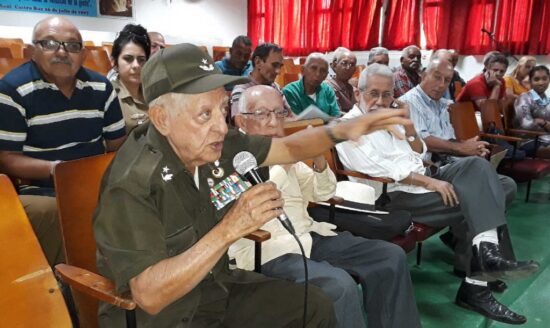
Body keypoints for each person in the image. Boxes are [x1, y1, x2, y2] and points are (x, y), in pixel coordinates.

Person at [93, 43, 413, 327]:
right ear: (162, 118)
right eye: (205, 115)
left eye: (222, 109)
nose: (221, 127)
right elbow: (150, 294)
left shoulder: (217, 143)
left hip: (215, 287)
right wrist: (230, 228)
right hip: (165, 317)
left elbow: (290, 147)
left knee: (314, 305)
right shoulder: (132, 183)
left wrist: (347, 128)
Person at [337, 64, 539, 325]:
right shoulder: (346, 127)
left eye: (386, 95)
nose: (380, 101)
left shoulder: (389, 119)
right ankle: (478, 281)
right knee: (485, 196)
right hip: (393, 196)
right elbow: (377, 169)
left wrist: (408, 128)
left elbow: (418, 153)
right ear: (357, 94)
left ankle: (484, 255)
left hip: (421, 181)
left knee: (493, 177)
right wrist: (430, 183)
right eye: (372, 94)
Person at [231, 85, 421, 328]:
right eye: (262, 114)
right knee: (339, 286)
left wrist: (319, 159)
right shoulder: (232, 158)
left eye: (279, 113)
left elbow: (323, 193)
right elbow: (249, 212)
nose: (273, 123)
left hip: (310, 237)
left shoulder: (285, 150)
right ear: (241, 121)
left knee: (389, 256)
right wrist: (286, 161)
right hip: (268, 249)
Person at [0, 16, 126, 266]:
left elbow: (117, 146)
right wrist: (60, 170)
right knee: (49, 212)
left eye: (72, 46)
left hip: (93, 182)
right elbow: (7, 159)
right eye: (50, 44)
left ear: (83, 53)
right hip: (41, 187)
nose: (62, 52)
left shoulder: (101, 87)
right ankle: (65, 284)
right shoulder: (13, 89)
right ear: (33, 49)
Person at [400, 58, 518, 208]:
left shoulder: (445, 105)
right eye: (437, 77)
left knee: (507, 185)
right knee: (491, 186)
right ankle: (476, 228)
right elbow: (424, 141)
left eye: (447, 80)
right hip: (430, 168)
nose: (441, 84)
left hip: (451, 161)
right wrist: (461, 148)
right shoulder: (409, 103)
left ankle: (465, 230)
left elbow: (449, 140)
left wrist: (469, 146)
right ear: (423, 75)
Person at [230, 43, 290, 119]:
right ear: (258, 62)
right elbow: (240, 124)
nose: (278, 71)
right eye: (274, 65)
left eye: (280, 66)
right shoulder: (241, 90)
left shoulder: (276, 88)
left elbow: (290, 115)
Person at [110, 24, 151, 134]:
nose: (136, 65)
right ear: (114, 62)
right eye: (128, 59)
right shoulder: (109, 96)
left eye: (141, 60)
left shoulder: (153, 93)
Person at [283, 53, 341, 117]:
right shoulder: (290, 92)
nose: (318, 74)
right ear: (303, 70)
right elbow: (295, 121)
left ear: (326, 76)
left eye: (323, 70)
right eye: (313, 68)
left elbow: (336, 115)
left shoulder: (328, 90)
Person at [514, 65, 550, 158]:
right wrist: (544, 123)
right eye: (536, 79)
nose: (541, 82)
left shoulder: (548, 100)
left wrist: (541, 122)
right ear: (530, 82)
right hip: (529, 141)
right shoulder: (524, 98)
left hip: (547, 139)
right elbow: (527, 125)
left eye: (544, 78)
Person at [326, 47, 357, 112]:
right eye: (344, 63)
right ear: (334, 65)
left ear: (355, 70)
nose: (348, 67)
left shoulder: (354, 90)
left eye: (352, 64)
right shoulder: (328, 87)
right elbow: (336, 114)